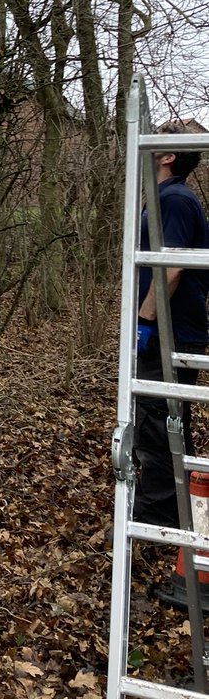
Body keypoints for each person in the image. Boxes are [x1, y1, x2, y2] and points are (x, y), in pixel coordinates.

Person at [134, 122, 209, 535]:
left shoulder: (175, 199)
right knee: (168, 420)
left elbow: (173, 268)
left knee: (157, 422)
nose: (153, 133)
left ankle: (158, 518)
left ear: (167, 156)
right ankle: (186, 511)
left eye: (162, 132)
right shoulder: (162, 198)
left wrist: (146, 320)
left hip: (171, 330)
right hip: (167, 327)